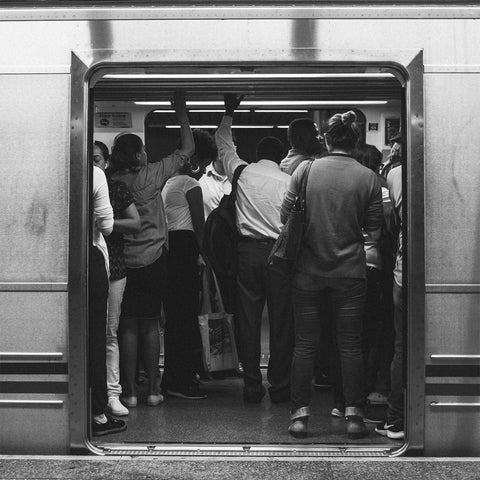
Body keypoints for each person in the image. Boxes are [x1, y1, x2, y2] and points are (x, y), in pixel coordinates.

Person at [282, 110, 383, 439]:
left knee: (306, 344)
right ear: (355, 141)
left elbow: (286, 216)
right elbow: (375, 231)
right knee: (350, 345)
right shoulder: (368, 177)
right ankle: (354, 417)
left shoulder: (305, 169)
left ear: (325, 139)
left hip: (307, 271)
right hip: (350, 273)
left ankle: (299, 416)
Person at [109, 92, 194, 408]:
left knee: (126, 325)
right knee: (151, 324)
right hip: (154, 259)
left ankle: (129, 391)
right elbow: (187, 148)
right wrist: (181, 110)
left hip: (122, 263)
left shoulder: (111, 180)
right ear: (138, 156)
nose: (146, 152)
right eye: (142, 149)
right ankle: (155, 390)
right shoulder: (151, 176)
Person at [215, 94, 292, 404]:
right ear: (281, 155)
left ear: (258, 154)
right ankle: (281, 384)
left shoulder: (242, 172)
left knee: (247, 320)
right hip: (280, 254)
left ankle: (251, 385)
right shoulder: (289, 180)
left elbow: (223, 144)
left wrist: (229, 112)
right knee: (282, 322)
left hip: (247, 253)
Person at [93, 141, 141, 417]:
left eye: (98, 159)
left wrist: (106, 224)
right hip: (88, 267)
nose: (94, 164)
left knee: (110, 332)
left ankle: (113, 393)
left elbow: (135, 223)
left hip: (115, 269)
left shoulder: (116, 188)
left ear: (107, 162)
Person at [161, 142, 210, 400]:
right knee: (188, 316)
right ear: (196, 163)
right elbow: (199, 225)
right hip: (186, 247)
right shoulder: (191, 185)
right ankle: (183, 380)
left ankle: (172, 377)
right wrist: (204, 256)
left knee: (175, 318)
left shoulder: (168, 183)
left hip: (170, 249)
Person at [90, 163, 126, 436]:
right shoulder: (95, 174)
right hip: (89, 257)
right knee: (96, 338)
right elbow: (108, 226)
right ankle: (97, 413)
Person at [375, 164, 404, 440]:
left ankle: (396, 420)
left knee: (401, 346)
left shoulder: (394, 175)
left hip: (403, 275)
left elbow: (391, 225)